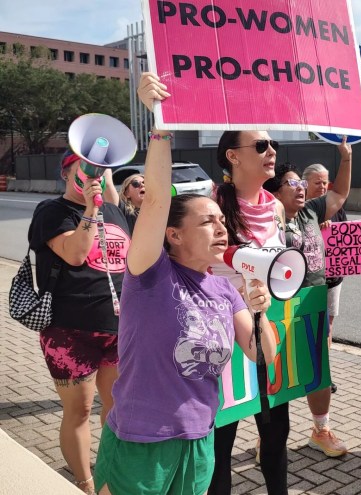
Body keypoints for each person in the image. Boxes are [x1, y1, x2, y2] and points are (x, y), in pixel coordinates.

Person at [93, 73, 276, 495]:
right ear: (172, 235)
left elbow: (261, 354)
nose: (221, 228)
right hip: (141, 441)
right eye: (207, 221)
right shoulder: (150, 273)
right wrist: (161, 127)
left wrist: (259, 312)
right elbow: (156, 199)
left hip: (200, 439)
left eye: (221, 219)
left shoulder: (226, 289)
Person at [28, 152, 128, 494]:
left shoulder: (115, 211)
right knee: (80, 410)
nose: (92, 179)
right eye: (83, 173)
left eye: (99, 173)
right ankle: (84, 484)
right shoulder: (51, 212)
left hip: (118, 328)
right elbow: (74, 254)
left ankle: (111, 474)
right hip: (69, 330)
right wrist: (90, 209)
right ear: (66, 176)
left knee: (116, 408)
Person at [209, 129, 289, 495]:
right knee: (220, 444)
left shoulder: (276, 206)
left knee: (275, 434)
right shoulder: (212, 204)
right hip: (221, 338)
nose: (271, 150)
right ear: (233, 156)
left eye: (271, 144)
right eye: (260, 145)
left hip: (264, 331)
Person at [263, 143, 351, 458]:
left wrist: (346, 157)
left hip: (314, 300)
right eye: (293, 183)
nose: (301, 189)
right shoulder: (266, 219)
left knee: (318, 371)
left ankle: (321, 430)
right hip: (278, 306)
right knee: (277, 375)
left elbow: (339, 193)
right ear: (273, 192)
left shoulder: (312, 211)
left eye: (302, 183)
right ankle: (267, 438)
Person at [302, 163, 347, 393]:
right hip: (309, 282)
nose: (322, 187)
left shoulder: (335, 207)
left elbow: (345, 237)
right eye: (317, 182)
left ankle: (323, 373)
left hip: (334, 278)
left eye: (325, 182)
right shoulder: (301, 209)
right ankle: (307, 371)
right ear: (305, 184)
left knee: (328, 327)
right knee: (309, 327)